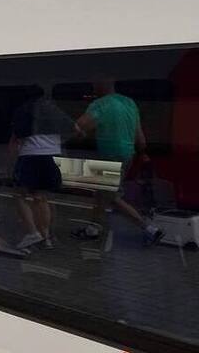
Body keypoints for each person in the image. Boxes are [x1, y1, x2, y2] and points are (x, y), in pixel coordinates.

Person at [74, 79, 164, 246]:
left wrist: (80, 134)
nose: (92, 88)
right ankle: (93, 229)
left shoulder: (99, 104)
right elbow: (141, 139)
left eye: (94, 85)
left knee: (111, 197)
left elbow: (80, 126)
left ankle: (150, 229)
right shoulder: (129, 103)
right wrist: (142, 153)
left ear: (100, 86)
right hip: (127, 155)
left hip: (110, 154)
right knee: (102, 193)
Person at [9, 87, 78, 249]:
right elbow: (76, 130)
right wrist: (59, 142)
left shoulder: (23, 110)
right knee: (41, 197)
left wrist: (7, 165)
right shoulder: (53, 110)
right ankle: (46, 238)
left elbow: (15, 141)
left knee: (19, 194)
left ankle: (32, 233)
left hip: (30, 156)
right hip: (52, 157)